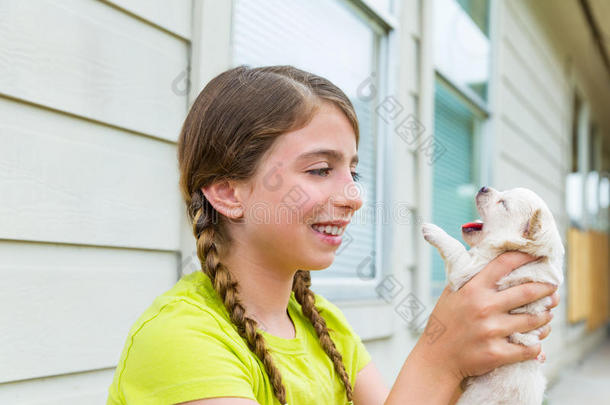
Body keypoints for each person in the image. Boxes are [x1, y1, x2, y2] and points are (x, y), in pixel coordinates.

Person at [106, 65, 559, 405]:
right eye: (321, 169)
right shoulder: (182, 341)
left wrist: (480, 366)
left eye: (353, 171)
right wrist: (442, 357)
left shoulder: (323, 324)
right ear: (227, 192)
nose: (354, 196)